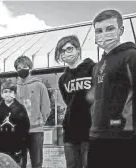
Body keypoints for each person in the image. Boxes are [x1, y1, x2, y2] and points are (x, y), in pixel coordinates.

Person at [87, 9, 136, 168]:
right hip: (96, 137)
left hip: (123, 138)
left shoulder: (132, 57)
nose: (104, 34)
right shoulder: (98, 66)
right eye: (99, 31)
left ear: (120, 30)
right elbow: (98, 99)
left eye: (110, 28)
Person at [55, 35, 96, 168]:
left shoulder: (93, 69)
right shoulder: (62, 79)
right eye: (62, 51)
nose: (66, 53)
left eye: (69, 49)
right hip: (71, 132)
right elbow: (68, 102)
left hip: (91, 129)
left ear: (78, 49)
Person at [14, 56, 51, 168]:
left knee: (37, 162)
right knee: (19, 162)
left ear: (30, 68)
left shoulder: (40, 85)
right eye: (19, 68)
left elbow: (46, 107)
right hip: (19, 131)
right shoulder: (14, 88)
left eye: (24, 67)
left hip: (36, 130)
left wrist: (40, 121)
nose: (22, 69)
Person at [0, 80, 30, 166]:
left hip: (17, 147)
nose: (8, 94)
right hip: (0, 146)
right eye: (5, 91)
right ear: (1, 94)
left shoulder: (20, 108)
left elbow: (26, 126)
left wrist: (21, 142)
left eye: (10, 91)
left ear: (14, 94)